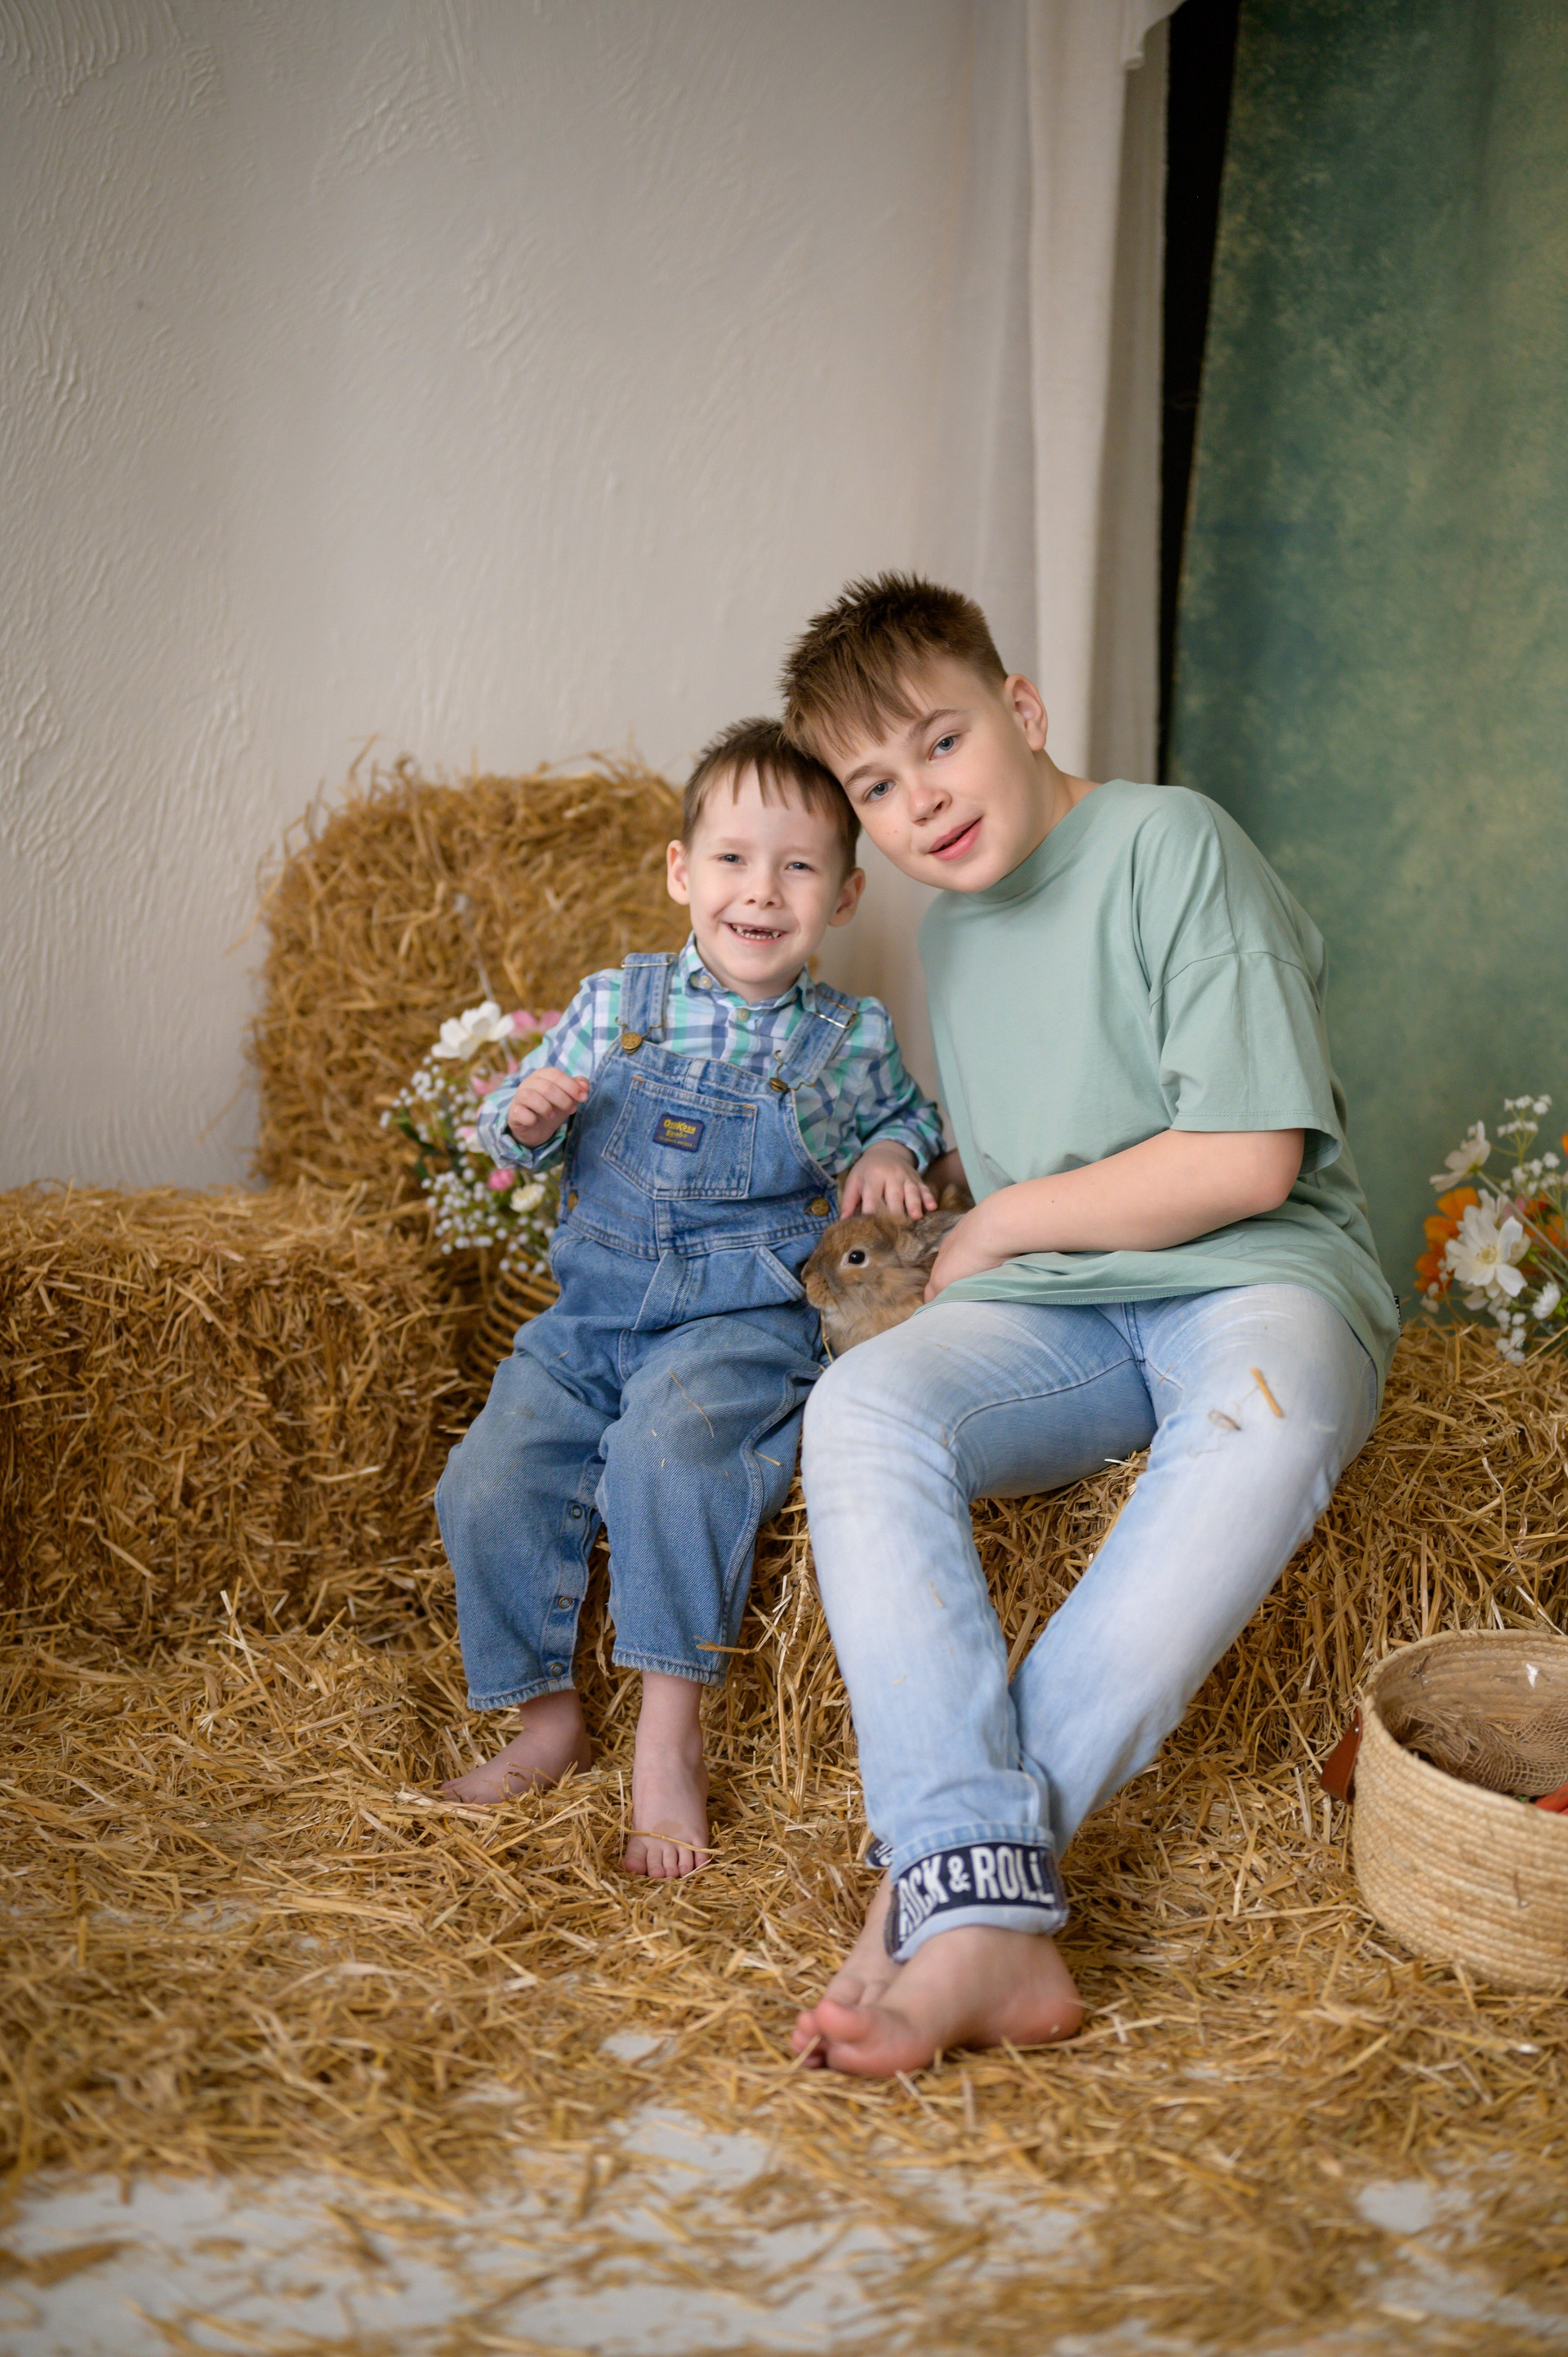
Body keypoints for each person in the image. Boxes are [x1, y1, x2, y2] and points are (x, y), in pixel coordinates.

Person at [778, 575, 1400, 2076]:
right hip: (1063, 1306)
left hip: (1254, 1275)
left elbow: (1247, 1158)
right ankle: (978, 1906)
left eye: (941, 742)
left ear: (1023, 708)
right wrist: (955, 1201)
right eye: (877, 786)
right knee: (860, 1409)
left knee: (1266, 1413)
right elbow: (1032, 1149)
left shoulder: (1169, 843)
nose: (922, 801)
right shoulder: (953, 938)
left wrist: (991, 1224)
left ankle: (934, 1900)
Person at [434, 717, 945, 1879]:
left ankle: (669, 1737)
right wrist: (525, 1116)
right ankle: (546, 1718)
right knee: (489, 1475)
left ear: (845, 895)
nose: (761, 890)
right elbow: (509, 1120)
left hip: (740, 1315)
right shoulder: (615, 1004)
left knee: (668, 1454)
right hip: (593, 1314)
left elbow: (910, 1119)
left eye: (798, 866)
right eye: (732, 859)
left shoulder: (847, 1036)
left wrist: (892, 1153)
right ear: (681, 872)